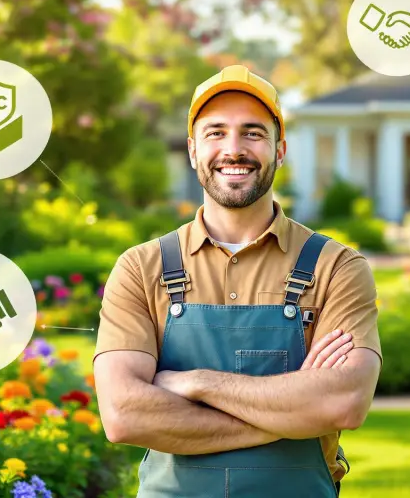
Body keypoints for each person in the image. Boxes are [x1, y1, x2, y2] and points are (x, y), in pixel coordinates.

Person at [93, 64, 382, 497]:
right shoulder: (141, 268)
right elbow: (123, 415)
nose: (234, 149)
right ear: (192, 150)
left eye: (252, 132)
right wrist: (291, 413)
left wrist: (196, 383)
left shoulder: (336, 267)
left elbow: (343, 403)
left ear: (279, 149)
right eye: (215, 133)